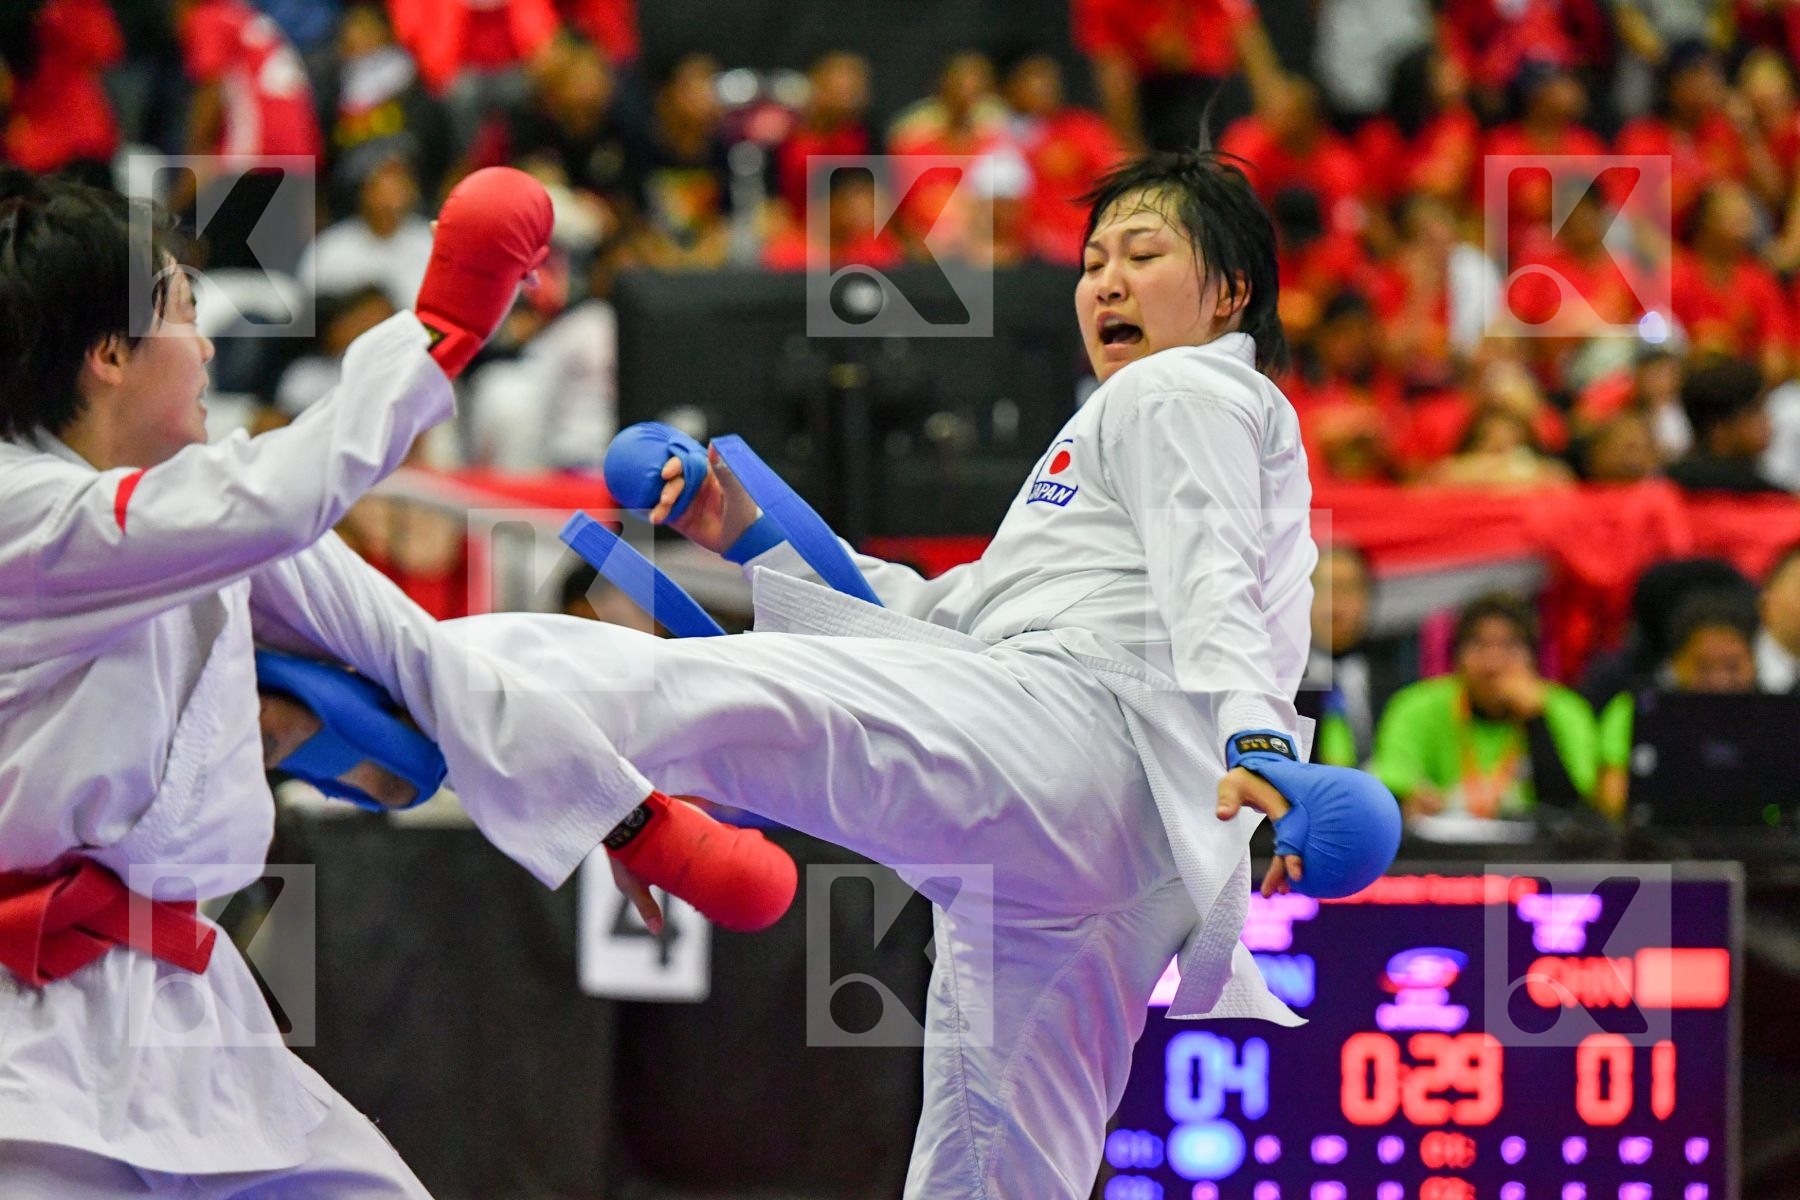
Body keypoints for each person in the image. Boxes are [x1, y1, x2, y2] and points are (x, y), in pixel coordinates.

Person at [454, 149, 1401, 1197]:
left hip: (1077, 744)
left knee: (764, 699)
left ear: (1231, 295)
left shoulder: (1186, 387)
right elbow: (941, 629)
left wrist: (1260, 738)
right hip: (1122, 852)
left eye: (1144, 253)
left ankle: (424, 672)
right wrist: (747, 536)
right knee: (995, 1168)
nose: (1107, 283)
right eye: (1092, 263)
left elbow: (1208, 569)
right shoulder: (1128, 443)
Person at [0, 167, 788, 1196]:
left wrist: (630, 819)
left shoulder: (206, 520)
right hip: (30, 1049)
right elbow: (279, 499)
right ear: (108, 355)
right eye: (184, 314)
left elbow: (418, 653)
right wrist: (441, 328)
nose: (203, 349)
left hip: (193, 1018)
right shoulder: (30, 512)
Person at [1371, 592, 1599, 824]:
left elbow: (1572, 808)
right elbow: (1390, 785)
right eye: (1479, 644)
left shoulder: (1566, 710)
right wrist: (1411, 799)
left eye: (1509, 646)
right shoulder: (1416, 706)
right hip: (1443, 853)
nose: (1492, 663)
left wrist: (1535, 720)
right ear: (1456, 656)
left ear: (1533, 656)